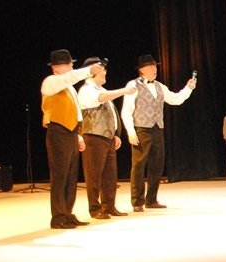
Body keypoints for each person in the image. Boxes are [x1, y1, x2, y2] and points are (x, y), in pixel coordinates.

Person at [120, 54, 196, 211]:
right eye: (151, 66)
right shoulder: (133, 85)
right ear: (142, 70)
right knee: (139, 165)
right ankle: (137, 202)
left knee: (157, 165)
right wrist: (131, 131)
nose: (155, 69)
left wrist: (188, 88)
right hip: (141, 128)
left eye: (155, 66)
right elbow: (126, 110)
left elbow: (175, 99)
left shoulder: (160, 86)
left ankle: (151, 199)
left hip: (157, 128)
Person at [40, 49, 103, 229]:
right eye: (68, 64)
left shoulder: (70, 89)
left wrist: (78, 136)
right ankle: (58, 216)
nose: (71, 67)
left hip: (70, 133)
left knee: (71, 176)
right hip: (57, 131)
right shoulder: (50, 82)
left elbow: (76, 113)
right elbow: (68, 79)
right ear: (56, 68)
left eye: (71, 64)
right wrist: (88, 71)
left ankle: (67, 213)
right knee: (60, 176)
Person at [76, 57, 135, 219]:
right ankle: (95, 208)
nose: (105, 72)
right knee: (94, 175)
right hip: (93, 136)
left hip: (107, 138)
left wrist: (115, 134)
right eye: (101, 69)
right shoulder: (87, 90)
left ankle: (108, 206)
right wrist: (124, 91)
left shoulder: (101, 89)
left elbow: (111, 114)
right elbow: (100, 98)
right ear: (91, 72)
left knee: (110, 175)